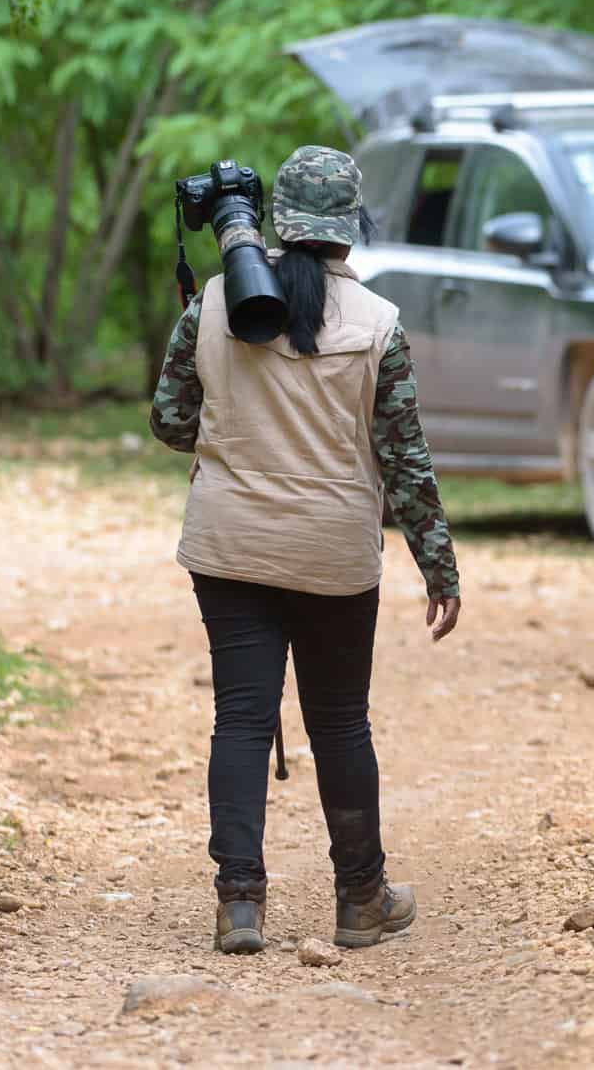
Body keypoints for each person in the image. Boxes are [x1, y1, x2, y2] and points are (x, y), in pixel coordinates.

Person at [149, 145, 463, 954]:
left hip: (228, 545)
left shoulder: (217, 303)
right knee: (341, 725)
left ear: (279, 222)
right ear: (349, 228)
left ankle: (239, 904)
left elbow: (169, 420)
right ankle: (361, 900)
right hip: (333, 556)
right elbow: (405, 459)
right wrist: (440, 566)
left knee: (241, 720)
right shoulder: (379, 324)